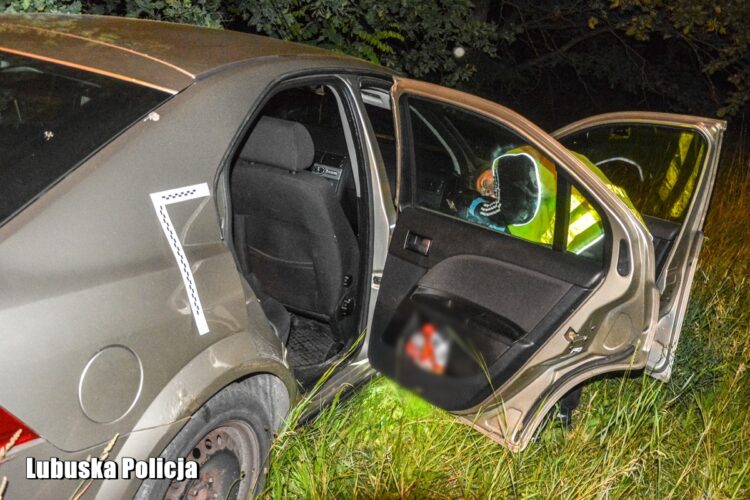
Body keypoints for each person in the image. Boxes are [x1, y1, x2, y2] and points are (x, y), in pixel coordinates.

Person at [466, 145, 642, 255]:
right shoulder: (534, 192)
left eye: (485, 183)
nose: (489, 192)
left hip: (599, 234)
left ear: (492, 168)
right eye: (485, 193)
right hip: (622, 231)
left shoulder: (511, 160)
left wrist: (474, 206)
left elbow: (513, 209)